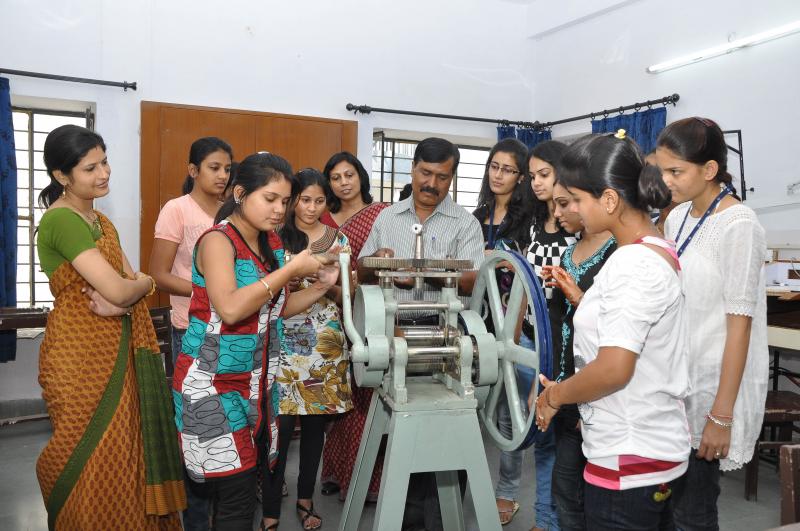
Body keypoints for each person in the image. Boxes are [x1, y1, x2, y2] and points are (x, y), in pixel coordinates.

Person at [172, 152, 340, 531]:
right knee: (236, 499)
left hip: (254, 387)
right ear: (240, 193)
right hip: (211, 386)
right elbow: (231, 308)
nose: (280, 209)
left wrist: (321, 287)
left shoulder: (271, 243)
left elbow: (275, 308)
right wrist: (291, 269)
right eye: (270, 199)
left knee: (243, 493)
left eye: (285, 201)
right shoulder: (218, 241)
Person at [534, 130, 690, 530]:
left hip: (629, 456)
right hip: (643, 446)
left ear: (608, 199)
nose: (571, 210)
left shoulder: (632, 263)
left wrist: (555, 396)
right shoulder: (651, 249)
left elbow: (614, 369)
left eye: (576, 199)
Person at [35, 124, 184, 530]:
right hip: (79, 356)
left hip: (119, 346)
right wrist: (141, 287)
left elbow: (126, 284)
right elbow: (121, 288)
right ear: (61, 176)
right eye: (90, 168)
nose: (103, 173)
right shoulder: (62, 221)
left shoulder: (101, 221)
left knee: (127, 451)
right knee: (86, 455)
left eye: (104, 162)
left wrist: (136, 288)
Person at [359, 137, 485, 531]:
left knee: (448, 439)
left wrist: (426, 271)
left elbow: (471, 282)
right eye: (425, 173)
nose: (431, 183)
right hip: (395, 333)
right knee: (403, 436)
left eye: (442, 176)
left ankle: (441, 522)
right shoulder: (387, 218)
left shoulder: (465, 223)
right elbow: (361, 271)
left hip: (446, 337)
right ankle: (409, 519)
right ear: (412, 169)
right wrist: (376, 262)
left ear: (453, 177)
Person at [657, 117, 768, 530]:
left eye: (676, 171)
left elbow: (740, 327)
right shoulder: (677, 218)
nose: (666, 181)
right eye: (663, 170)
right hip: (676, 382)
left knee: (694, 512)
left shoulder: (740, 224)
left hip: (711, 390)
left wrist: (720, 415)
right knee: (666, 507)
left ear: (709, 170)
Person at [261, 169, 353, 530]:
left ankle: (305, 500)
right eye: (304, 200)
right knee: (278, 431)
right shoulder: (274, 237)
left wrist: (329, 282)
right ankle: (270, 510)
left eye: (319, 201)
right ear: (293, 200)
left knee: (315, 430)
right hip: (283, 340)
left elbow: (347, 293)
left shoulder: (337, 240)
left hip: (324, 345)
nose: (312, 208)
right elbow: (266, 289)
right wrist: (296, 275)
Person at [150, 136, 232, 530]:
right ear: (193, 170)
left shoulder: (233, 212)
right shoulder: (177, 209)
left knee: (227, 431)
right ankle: (196, 521)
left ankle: (226, 516)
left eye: (228, 169)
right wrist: (209, 290)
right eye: (214, 167)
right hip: (191, 332)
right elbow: (158, 274)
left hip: (232, 333)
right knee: (197, 434)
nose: (222, 175)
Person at [541, 179, 616, 531]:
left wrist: (578, 297)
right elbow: (559, 326)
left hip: (600, 390)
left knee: (597, 494)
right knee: (566, 488)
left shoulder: (618, 254)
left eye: (564, 203)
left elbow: (617, 331)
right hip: (568, 388)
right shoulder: (569, 253)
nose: (557, 213)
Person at [319, 151, 389, 501]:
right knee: (337, 396)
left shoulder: (381, 214)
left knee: (365, 391)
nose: (344, 183)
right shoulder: (322, 217)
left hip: (368, 311)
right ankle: (335, 469)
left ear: (360, 176)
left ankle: (367, 482)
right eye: (335, 178)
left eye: (349, 175)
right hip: (326, 313)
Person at [471, 137, 534, 526]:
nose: (498, 175)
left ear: (521, 177)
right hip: (478, 323)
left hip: (517, 326)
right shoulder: (476, 217)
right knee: (473, 407)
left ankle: (507, 492)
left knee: (511, 412)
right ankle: (466, 480)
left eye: (508, 169)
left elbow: (529, 275)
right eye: (494, 166)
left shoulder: (529, 220)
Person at [524, 140, 577, 531]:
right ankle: (545, 518)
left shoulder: (578, 231)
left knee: (566, 441)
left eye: (544, 174)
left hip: (564, 341)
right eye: (532, 177)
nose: (537, 183)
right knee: (542, 436)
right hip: (532, 338)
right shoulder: (531, 224)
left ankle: (557, 520)